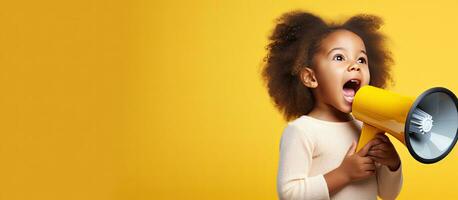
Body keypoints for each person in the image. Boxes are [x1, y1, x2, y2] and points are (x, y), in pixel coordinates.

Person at [261, 11, 403, 200]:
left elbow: (388, 194)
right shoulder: (302, 131)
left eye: (361, 59)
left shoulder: (367, 127)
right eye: (339, 57)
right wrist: (344, 174)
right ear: (311, 78)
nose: (355, 66)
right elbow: (289, 194)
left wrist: (392, 164)